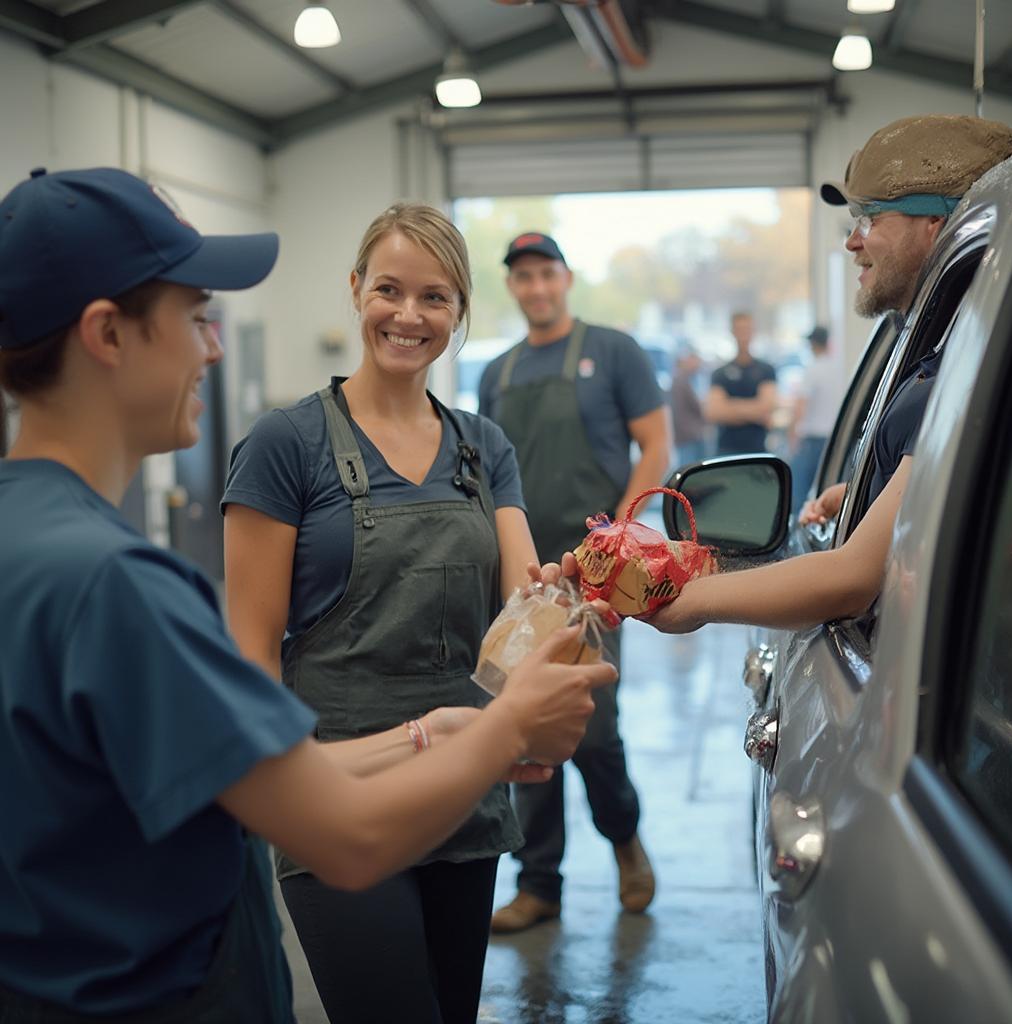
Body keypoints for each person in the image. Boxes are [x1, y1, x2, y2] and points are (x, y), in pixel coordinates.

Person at [0, 170, 616, 1023]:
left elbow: (231, 774)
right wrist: (506, 726)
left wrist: (430, 732)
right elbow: (346, 836)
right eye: (193, 317)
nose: (213, 349)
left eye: (435, 296)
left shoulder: (27, 538)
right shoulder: (122, 587)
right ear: (107, 333)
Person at [221, 204, 612, 1024]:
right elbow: (249, 654)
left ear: (459, 312)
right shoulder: (283, 446)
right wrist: (264, 798)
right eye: (389, 289)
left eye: (434, 297)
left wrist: (573, 594)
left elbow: (521, 603)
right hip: (334, 794)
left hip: (463, 786)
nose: (409, 315)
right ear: (356, 289)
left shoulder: (481, 447)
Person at [650, 115, 1012, 637]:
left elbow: (852, 580)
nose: (852, 242)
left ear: (935, 226)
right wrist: (869, 491)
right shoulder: (951, 354)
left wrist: (693, 599)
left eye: (869, 218)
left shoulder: (972, 375)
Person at [478, 231, 671, 933]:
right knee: (525, 726)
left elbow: (655, 442)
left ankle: (625, 840)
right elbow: (489, 482)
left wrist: (620, 540)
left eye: (546, 274)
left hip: (597, 575)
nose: (536, 288)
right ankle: (538, 887)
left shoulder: (613, 351)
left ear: (565, 277)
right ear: (514, 287)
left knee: (592, 728)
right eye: (523, 277)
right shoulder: (495, 375)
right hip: (530, 575)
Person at [705, 311, 777, 455]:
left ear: (753, 332)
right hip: (726, 452)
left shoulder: (766, 370)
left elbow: (766, 409)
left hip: (757, 452)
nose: (743, 335)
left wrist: (731, 406)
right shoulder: (720, 373)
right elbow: (714, 412)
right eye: (739, 329)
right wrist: (753, 410)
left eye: (747, 329)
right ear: (733, 332)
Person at [787, 325, 844, 505]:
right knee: (825, 488)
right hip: (834, 438)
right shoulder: (838, 368)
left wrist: (792, 436)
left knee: (801, 493)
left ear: (812, 344)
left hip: (813, 441)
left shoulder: (812, 369)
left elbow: (800, 406)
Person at [670, 347, 707, 469]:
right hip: (688, 435)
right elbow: (696, 406)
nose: (698, 365)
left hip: (686, 434)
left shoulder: (682, 379)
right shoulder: (682, 380)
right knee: (689, 469)